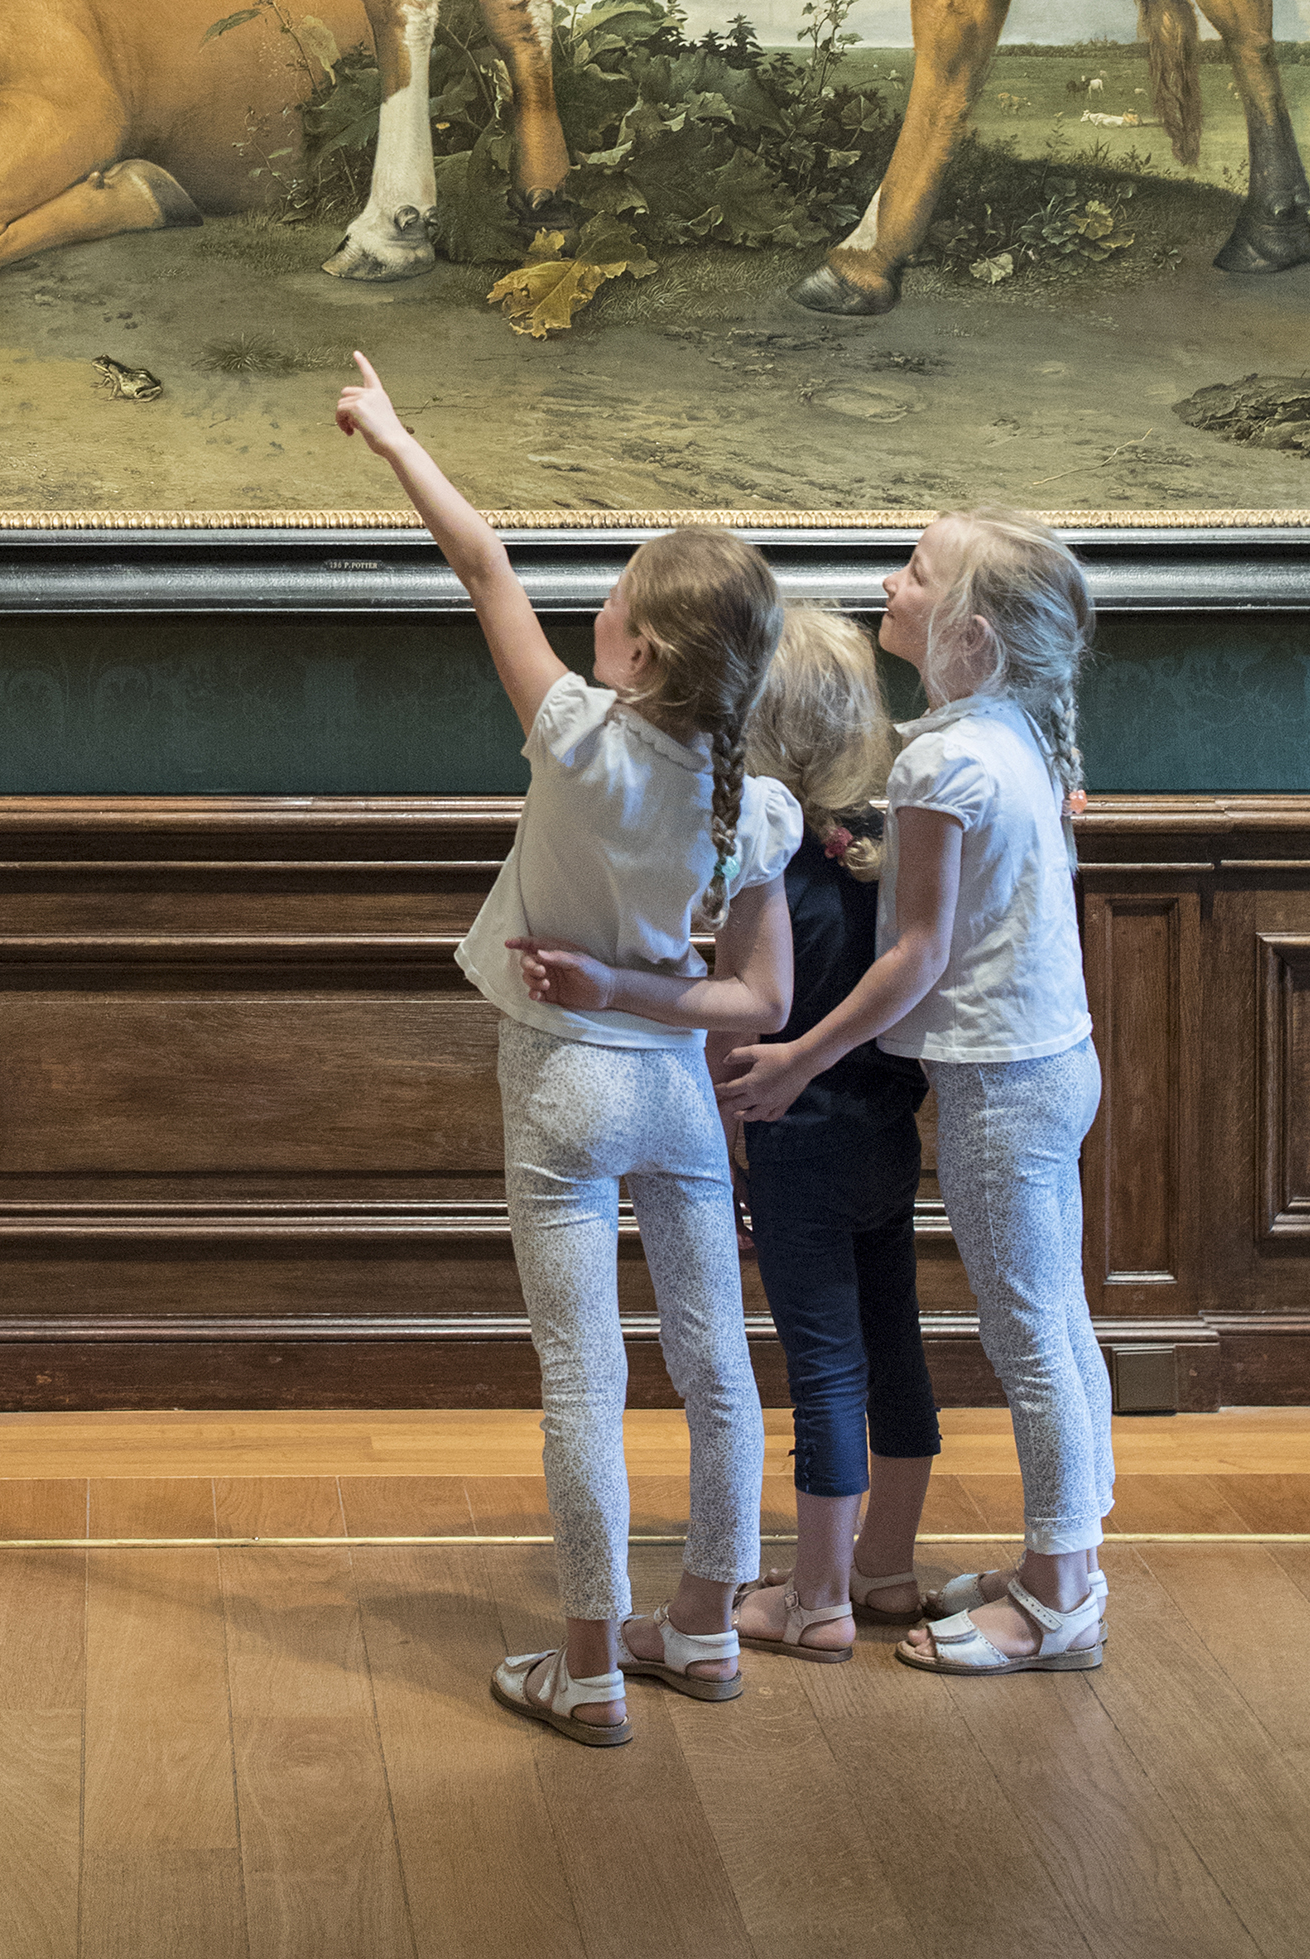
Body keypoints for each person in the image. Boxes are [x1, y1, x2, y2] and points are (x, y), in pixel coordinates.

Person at [334, 351, 797, 1746]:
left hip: (563, 1082)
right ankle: (705, 1630)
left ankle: (592, 1665)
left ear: (639, 652)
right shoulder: (759, 808)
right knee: (718, 1370)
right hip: (672, 1097)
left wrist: (394, 431)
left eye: (612, 600)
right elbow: (758, 1003)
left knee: (583, 1379)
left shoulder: (576, 737)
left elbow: (480, 565)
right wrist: (635, 984)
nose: (591, 610)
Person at [720, 511, 1111, 1678]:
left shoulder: (943, 758)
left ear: (969, 634)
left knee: (1029, 1334)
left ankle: (1056, 1600)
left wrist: (798, 1057)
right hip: (1053, 1065)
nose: (889, 585)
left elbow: (917, 954)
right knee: (1057, 1323)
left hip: (999, 1081)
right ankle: (1068, 1561)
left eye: (914, 574)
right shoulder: (1013, 735)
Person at [717, 606, 942, 1660]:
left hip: (795, 1136)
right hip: (889, 1133)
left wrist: (727, 1153)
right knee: (892, 1341)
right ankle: (883, 1567)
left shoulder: (767, 873)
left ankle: (814, 1600)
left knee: (820, 1363)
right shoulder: (888, 862)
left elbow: (743, 1023)